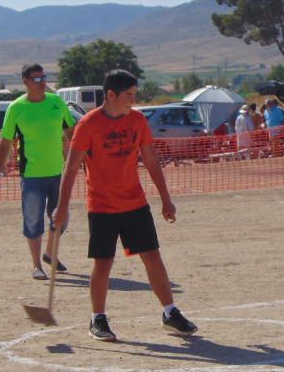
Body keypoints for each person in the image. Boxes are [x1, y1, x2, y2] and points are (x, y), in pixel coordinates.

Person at [53, 69, 198, 342]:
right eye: (128, 96)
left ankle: (169, 312)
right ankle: (98, 318)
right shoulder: (88, 125)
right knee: (103, 263)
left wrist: (166, 199)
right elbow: (71, 168)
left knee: (152, 257)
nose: (133, 100)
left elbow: (151, 161)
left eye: (134, 95)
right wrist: (62, 207)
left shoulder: (138, 120)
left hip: (135, 202)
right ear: (111, 95)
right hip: (102, 206)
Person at [0, 64, 76, 280]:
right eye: (36, 79)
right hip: (31, 175)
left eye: (43, 78)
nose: (42, 83)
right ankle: (37, 265)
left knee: (61, 218)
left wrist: (80, 159)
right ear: (25, 81)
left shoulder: (57, 103)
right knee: (33, 220)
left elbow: (71, 133)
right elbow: (5, 142)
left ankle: (49, 252)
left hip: (58, 172)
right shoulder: (17, 108)